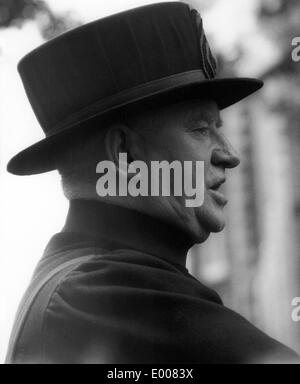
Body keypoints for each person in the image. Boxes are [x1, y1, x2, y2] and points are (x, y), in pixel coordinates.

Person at [6, 2, 299, 364]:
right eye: (200, 129)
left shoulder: (87, 278)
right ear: (125, 153)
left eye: (219, 129)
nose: (229, 154)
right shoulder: (100, 288)